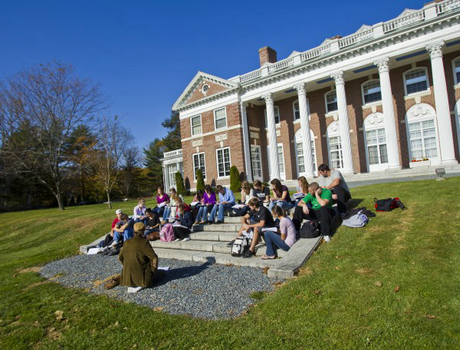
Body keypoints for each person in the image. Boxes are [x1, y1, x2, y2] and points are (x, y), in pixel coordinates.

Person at [119, 222, 162, 293]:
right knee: (162, 274)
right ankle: (141, 284)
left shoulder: (127, 242)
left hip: (127, 276)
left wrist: (126, 265)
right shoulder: (144, 242)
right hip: (141, 275)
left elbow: (120, 257)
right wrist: (153, 270)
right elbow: (154, 258)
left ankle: (131, 285)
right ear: (144, 231)